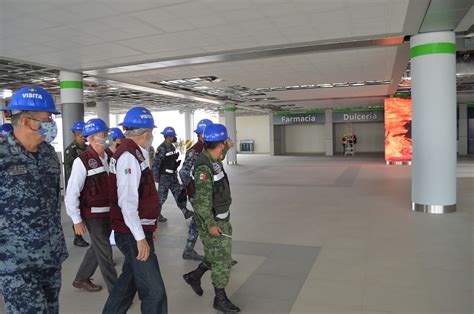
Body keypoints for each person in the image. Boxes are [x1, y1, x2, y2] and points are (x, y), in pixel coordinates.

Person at [0, 86, 68, 313]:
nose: (51, 123)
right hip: (16, 262)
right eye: (47, 118)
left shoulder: (49, 155)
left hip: (50, 256)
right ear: (28, 121)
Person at [103, 107, 167, 314]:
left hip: (138, 228)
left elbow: (143, 194)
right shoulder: (129, 156)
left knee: (127, 283)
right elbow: (127, 203)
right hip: (131, 232)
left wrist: (151, 224)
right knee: (154, 291)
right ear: (147, 133)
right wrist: (140, 237)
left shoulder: (136, 153)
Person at [183, 124, 241, 313]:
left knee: (215, 255)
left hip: (221, 217)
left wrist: (228, 148)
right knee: (223, 260)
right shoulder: (203, 167)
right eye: (225, 142)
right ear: (221, 143)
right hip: (213, 221)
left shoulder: (213, 158)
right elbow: (201, 202)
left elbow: (219, 157)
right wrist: (210, 225)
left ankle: (194, 275)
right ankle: (220, 298)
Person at [65, 118, 117, 293]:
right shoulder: (82, 161)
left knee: (97, 247)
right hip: (92, 215)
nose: (106, 138)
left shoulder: (109, 156)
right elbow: (71, 193)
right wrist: (76, 219)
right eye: (103, 135)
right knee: (105, 252)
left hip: (108, 211)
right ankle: (116, 293)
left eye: (106, 134)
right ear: (92, 138)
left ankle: (81, 278)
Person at [178, 119, 213, 261]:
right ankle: (215, 256)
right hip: (198, 195)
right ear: (202, 134)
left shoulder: (207, 149)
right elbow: (184, 172)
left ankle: (189, 250)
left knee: (197, 221)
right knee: (207, 221)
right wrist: (194, 190)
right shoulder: (195, 151)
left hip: (205, 193)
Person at [152, 126, 192, 222]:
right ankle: (155, 215)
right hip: (164, 177)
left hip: (173, 176)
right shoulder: (161, 148)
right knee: (161, 198)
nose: (174, 138)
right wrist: (156, 177)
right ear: (168, 137)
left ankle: (185, 211)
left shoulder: (172, 147)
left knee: (178, 194)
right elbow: (156, 164)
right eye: (173, 136)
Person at [65, 120, 90, 247]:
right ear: (77, 134)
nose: (85, 137)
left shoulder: (87, 148)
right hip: (77, 185)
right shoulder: (71, 150)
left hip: (88, 186)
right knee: (76, 209)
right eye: (83, 134)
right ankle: (77, 236)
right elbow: (70, 172)